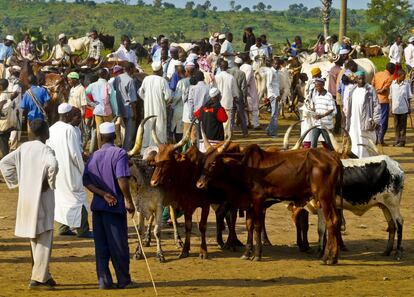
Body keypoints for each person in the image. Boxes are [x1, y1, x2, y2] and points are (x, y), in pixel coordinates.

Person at [0, 119, 58, 289]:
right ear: (45, 133)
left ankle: (44, 275)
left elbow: (4, 163)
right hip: (42, 197)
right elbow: (53, 165)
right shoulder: (46, 149)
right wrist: (49, 182)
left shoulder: (23, 147)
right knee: (45, 236)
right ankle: (38, 279)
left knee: (35, 236)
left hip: (26, 198)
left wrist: (17, 182)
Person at [83, 122, 137, 290]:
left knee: (101, 245)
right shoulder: (119, 153)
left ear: (100, 137)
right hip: (114, 207)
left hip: (98, 206)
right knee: (118, 245)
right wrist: (128, 199)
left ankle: (104, 281)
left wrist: (101, 194)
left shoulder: (94, 155)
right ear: (115, 136)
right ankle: (124, 280)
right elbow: (122, 179)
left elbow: (86, 181)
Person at [47, 103, 92, 238]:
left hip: (56, 171)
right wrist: (83, 169)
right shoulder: (69, 130)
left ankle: (63, 227)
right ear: (67, 115)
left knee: (61, 198)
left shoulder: (51, 128)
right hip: (70, 169)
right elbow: (75, 154)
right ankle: (83, 230)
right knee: (79, 197)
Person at [346, 71, 380, 158]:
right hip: (354, 121)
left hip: (365, 120)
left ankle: (365, 159)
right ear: (356, 79)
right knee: (354, 139)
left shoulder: (370, 89)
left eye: (363, 78)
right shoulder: (352, 90)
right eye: (359, 79)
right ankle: (356, 158)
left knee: (365, 139)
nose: (361, 81)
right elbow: (349, 106)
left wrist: (376, 119)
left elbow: (376, 105)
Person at [138, 61, 172, 149]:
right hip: (159, 108)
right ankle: (159, 148)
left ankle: (146, 148)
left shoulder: (146, 79)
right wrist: (163, 101)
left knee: (148, 126)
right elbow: (168, 96)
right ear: (160, 70)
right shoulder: (162, 80)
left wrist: (146, 100)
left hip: (148, 107)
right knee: (159, 127)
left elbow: (140, 92)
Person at [113, 62, 138, 150]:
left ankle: (123, 147)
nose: (135, 70)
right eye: (134, 68)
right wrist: (135, 113)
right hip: (129, 109)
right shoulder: (130, 80)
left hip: (120, 108)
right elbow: (133, 99)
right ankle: (126, 151)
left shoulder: (117, 78)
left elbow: (115, 89)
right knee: (130, 133)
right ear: (131, 69)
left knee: (125, 130)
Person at [86, 68, 113, 148]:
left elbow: (85, 93)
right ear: (105, 75)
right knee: (110, 130)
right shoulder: (108, 85)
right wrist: (116, 110)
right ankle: (110, 147)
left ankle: (101, 148)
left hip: (97, 110)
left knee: (99, 130)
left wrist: (92, 104)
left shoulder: (92, 85)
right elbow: (112, 99)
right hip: (107, 111)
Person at [194, 87, 228, 152]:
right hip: (215, 141)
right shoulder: (219, 108)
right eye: (220, 94)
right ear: (217, 96)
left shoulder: (203, 107)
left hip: (203, 141)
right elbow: (224, 119)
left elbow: (196, 114)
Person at [371, 63, 396, 145]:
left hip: (375, 101)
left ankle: (375, 138)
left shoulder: (377, 74)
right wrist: (378, 91)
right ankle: (380, 139)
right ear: (391, 69)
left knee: (375, 119)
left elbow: (372, 85)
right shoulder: (389, 78)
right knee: (383, 121)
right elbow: (384, 90)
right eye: (394, 70)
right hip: (383, 101)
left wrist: (375, 92)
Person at [20, 74, 51, 139]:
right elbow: (47, 104)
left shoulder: (26, 93)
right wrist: (42, 110)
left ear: (28, 82)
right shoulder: (43, 90)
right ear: (36, 81)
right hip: (42, 118)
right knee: (42, 138)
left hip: (31, 119)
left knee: (32, 138)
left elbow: (23, 108)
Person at [310, 78, 336, 149]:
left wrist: (322, 116)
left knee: (329, 144)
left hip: (326, 125)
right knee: (313, 144)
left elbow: (331, 109)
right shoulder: (316, 95)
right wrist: (313, 112)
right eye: (315, 86)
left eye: (318, 86)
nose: (316, 88)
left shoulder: (329, 96)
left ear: (323, 85)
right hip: (317, 124)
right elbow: (315, 106)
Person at [214, 60, 237, 138]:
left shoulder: (216, 77)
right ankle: (226, 136)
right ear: (227, 67)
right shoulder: (231, 77)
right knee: (227, 121)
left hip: (217, 103)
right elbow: (234, 92)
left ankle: (220, 136)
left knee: (218, 120)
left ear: (220, 67)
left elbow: (213, 90)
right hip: (228, 102)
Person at [390, 69, 412, 147]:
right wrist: (391, 108)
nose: (404, 78)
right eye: (403, 76)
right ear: (398, 76)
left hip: (404, 109)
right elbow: (391, 97)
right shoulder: (393, 84)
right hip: (395, 108)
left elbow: (409, 97)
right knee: (396, 126)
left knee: (403, 126)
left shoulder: (406, 85)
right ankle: (397, 140)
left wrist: (409, 107)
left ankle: (402, 141)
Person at [228, 57, 248, 137]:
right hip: (239, 95)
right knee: (241, 114)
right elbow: (244, 88)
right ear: (240, 64)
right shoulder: (242, 73)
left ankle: (230, 132)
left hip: (231, 95)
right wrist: (245, 99)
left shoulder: (228, 71)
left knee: (231, 115)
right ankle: (245, 132)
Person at [240, 55, 260, 129]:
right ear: (248, 59)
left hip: (243, 90)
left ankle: (247, 123)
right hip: (250, 89)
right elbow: (246, 79)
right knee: (254, 108)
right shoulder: (249, 67)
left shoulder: (241, 67)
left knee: (246, 108)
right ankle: (255, 124)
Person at [7, 66, 22, 150]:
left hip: (7, 106)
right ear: (18, 73)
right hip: (15, 107)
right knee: (15, 126)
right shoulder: (17, 83)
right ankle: (12, 146)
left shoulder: (7, 80)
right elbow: (15, 95)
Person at [171, 65, 187, 142]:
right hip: (187, 108)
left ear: (178, 73)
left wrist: (171, 104)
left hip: (179, 108)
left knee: (177, 129)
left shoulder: (181, 82)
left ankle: (178, 147)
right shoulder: (191, 80)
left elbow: (177, 96)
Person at [0, 79, 16, 158]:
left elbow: (2, 108)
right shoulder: (7, 93)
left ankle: (5, 159)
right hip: (7, 122)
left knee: (3, 143)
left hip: (3, 123)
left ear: (2, 86)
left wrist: (10, 100)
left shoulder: (4, 95)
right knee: (4, 142)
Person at [328, 55, 344, 134]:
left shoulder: (332, 69)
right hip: (337, 93)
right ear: (339, 61)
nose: (343, 61)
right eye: (342, 59)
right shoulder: (340, 70)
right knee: (339, 113)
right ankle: (337, 129)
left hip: (330, 92)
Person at [265, 59, 281, 137]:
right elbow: (268, 84)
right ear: (272, 64)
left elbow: (276, 85)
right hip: (273, 95)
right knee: (274, 115)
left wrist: (278, 94)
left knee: (274, 114)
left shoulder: (277, 72)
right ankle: (272, 133)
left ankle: (269, 130)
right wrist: (275, 95)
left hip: (276, 95)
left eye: (278, 64)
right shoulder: (270, 72)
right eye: (275, 64)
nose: (277, 65)